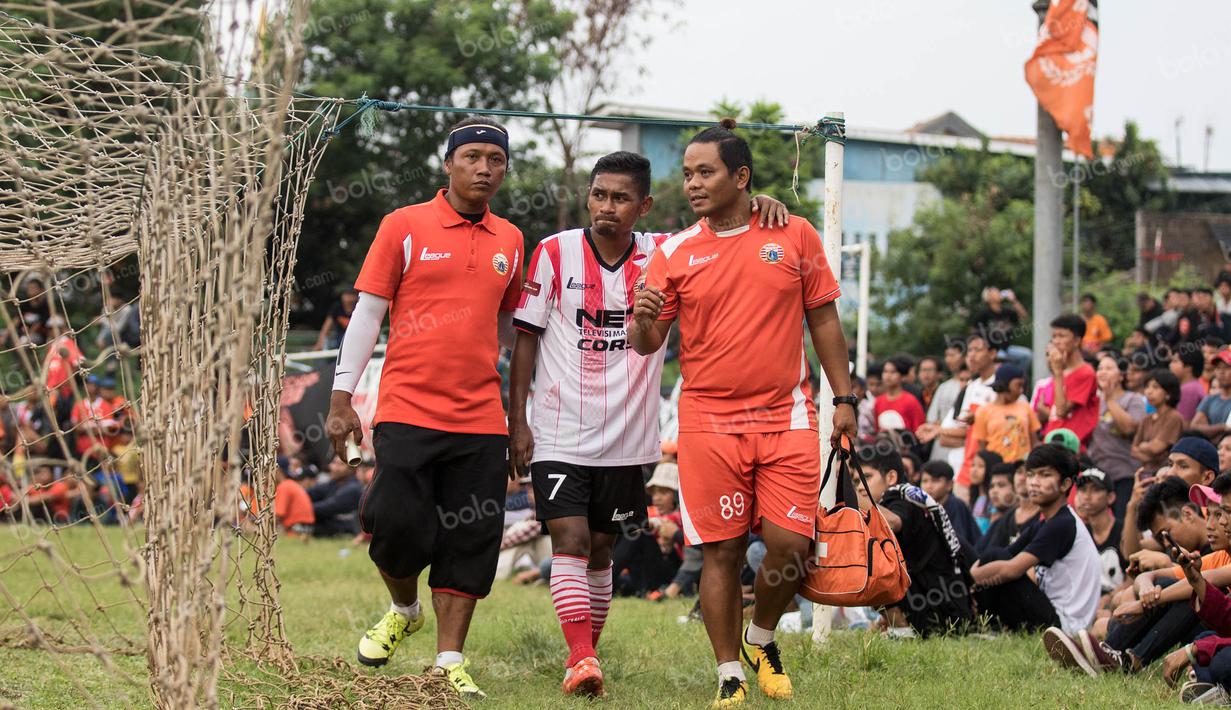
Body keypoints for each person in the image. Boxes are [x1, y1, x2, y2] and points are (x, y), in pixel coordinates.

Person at [507, 152, 792, 695]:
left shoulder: (666, 251)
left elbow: (724, 229)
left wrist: (757, 204)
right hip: (559, 429)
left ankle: (584, 657)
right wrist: (517, 419)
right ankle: (582, 657)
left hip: (628, 437)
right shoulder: (554, 252)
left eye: (620, 198)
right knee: (569, 539)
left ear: (644, 206)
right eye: (598, 194)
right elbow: (526, 340)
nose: (606, 207)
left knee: (601, 549)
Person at [628, 121, 856, 707]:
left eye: (705, 172)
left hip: (787, 417)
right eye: (687, 174)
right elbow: (648, 343)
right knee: (722, 551)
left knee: (791, 545)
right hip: (709, 423)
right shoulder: (673, 252)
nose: (692, 184)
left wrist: (845, 398)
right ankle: (729, 673)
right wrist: (642, 319)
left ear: (741, 177)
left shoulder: (794, 233)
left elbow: (823, 318)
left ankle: (762, 637)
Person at [325, 117, 523, 697]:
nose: (484, 168)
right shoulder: (404, 225)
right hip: (407, 409)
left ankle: (448, 661)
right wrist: (341, 397)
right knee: (394, 523)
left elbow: (510, 325)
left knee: (473, 537)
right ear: (448, 163)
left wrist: (517, 413)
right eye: (472, 157)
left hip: (481, 418)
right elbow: (367, 314)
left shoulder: (512, 239)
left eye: (496, 160)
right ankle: (403, 609)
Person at [1048, 475, 1225, 678]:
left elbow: (1204, 583)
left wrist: (1144, 601)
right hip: (1203, 627)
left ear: (1188, 514)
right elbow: (1147, 573)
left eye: (1220, 514)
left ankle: (1121, 658)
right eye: (1210, 515)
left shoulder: (1216, 554)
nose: (1212, 524)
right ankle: (1109, 653)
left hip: (1217, 635)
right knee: (1163, 587)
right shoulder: (1217, 555)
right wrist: (1147, 588)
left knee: (1192, 593)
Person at [973, 444, 1101, 634]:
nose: (1033, 482)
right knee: (993, 555)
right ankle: (983, 624)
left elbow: (1012, 569)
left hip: (1063, 627)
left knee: (996, 560)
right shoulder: (1046, 523)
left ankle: (981, 624)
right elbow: (1005, 553)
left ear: (1065, 484)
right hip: (1050, 613)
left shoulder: (1063, 523)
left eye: (1045, 475)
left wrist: (967, 581)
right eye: (1031, 475)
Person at [853, 446, 973, 637]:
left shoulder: (902, 501)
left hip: (942, 609)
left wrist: (851, 497)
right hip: (934, 602)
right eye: (855, 482)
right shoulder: (896, 500)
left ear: (891, 477)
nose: (859, 487)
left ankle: (902, 630)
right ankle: (897, 624)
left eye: (866, 477)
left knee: (869, 566)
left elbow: (892, 522)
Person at [1088, 353, 1147, 523]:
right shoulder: (1093, 402)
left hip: (1125, 473)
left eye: (1109, 368)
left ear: (1121, 375)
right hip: (1098, 474)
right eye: (1100, 368)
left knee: (1122, 522)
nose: (1103, 372)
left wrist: (1109, 399)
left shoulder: (1133, 399)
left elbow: (1128, 428)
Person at [1035, 314, 1099, 447]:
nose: (1056, 341)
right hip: (1052, 440)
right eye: (1054, 336)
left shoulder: (1085, 372)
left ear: (1076, 341)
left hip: (1069, 445)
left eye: (1062, 336)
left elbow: (1061, 411)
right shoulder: (1062, 371)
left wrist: (1058, 372)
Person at [972, 363, 1040, 464]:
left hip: (1021, 467)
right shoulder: (983, 411)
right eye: (1018, 385)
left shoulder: (1025, 407)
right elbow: (982, 448)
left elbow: (1034, 441)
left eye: (1022, 386)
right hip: (996, 468)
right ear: (1004, 384)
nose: (1021, 390)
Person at [1073, 468, 1126, 595]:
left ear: (1110, 497)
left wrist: (1109, 599)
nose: (1087, 496)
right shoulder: (1077, 534)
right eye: (1082, 490)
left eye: (1095, 490)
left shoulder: (1124, 531)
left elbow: (1134, 578)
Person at [1132, 370, 1186, 475]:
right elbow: (1133, 450)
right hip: (1145, 472)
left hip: (1166, 473)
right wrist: (1150, 455)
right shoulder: (1146, 419)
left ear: (1168, 393)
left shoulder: (1174, 417)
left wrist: (1143, 446)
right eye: (1147, 387)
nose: (1149, 391)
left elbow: (1156, 448)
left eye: (1155, 387)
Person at [920, 460, 979, 548]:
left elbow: (958, 542)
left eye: (935, 481)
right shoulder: (920, 506)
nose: (929, 486)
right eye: (925, 481)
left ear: (949, 485)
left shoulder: (956, 505)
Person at [874, 355, 925, 434]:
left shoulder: (911, 401)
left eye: (893, 372)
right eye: (885, 371)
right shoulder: (878, 401)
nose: (888, 375)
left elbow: (919, 430)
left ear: (902, 376)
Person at [972, 287, 1027, 354]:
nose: (999, 293)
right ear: (989, 298)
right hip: (991, 350)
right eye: (995, 292)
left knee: (1027, 355)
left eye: (998, 291)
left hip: (1006, 348)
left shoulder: (1007, 312)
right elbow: (974, 330)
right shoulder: (984, 314)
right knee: (1001, 356)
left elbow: (1024, 316)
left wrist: (1014, 301)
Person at [1194, 350, 1231, 441]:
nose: (1221, 372)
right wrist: (1222, 427)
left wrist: (1210, 429)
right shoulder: (1210, 399)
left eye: (1227, 367)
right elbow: (1195, 427)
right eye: (1218, 368)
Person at [274, 462, 315, 537]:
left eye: (267, 471)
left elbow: (277, 516)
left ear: (278, 471)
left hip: (294, 531)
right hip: (306, 529)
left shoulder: (284, 486)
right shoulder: (290, 484)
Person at [1172, 347, 1208, 423]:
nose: (1170, 365)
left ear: (1188, 367)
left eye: (1175, 361)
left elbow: (1185, 423)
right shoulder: (1193, 386)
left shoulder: (1189, 389)